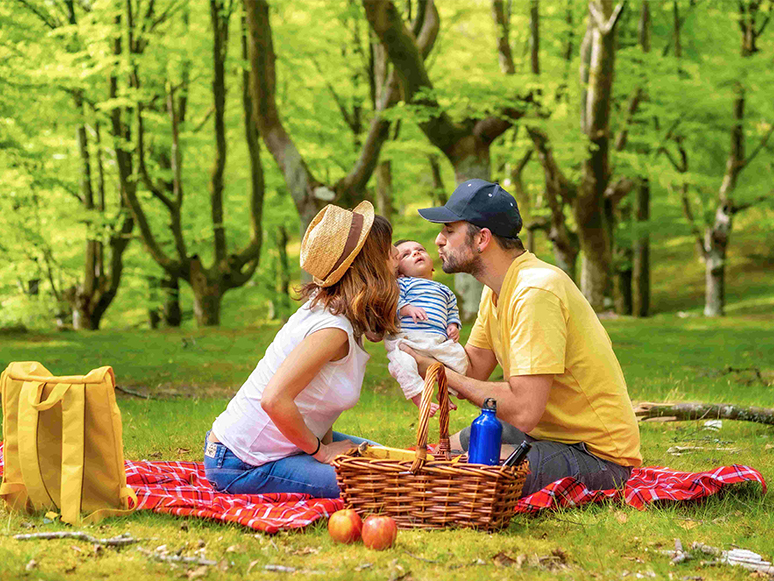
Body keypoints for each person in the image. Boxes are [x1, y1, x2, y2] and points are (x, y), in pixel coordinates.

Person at [402, 179, 642, 496]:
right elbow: (472, 370)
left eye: (449, 231)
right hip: (547, 433)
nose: (438, 241)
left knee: (455, 475)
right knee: (439, 454)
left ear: (481, 239)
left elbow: (524, 411)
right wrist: (418, 342)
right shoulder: (498, 289)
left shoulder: (534, 291)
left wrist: (438, 372)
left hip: (597, 456)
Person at [204, 201, 400, 499]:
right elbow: (274, 399)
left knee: (388, 461)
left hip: (280, 447)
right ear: (369, 265)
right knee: (380, 485)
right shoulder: (331, 329)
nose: (397, 254)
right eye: (388, 250)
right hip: (240, 463)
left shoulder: (337, 313)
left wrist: (329, 448)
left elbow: (319, 400)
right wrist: (321, 453)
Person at [385, 239, 468, 414]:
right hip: (407, 341)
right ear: (399, 272)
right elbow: (391, 300)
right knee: (404, 363)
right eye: (406, 255)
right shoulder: (402, 284)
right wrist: (406, 308)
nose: (415, 253)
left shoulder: (445, 290)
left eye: (420, 249)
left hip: (436, 342)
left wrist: (453, 325)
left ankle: (444, 392)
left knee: (461, 358)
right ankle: (419, 398)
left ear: (432, 266)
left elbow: (452, 310)